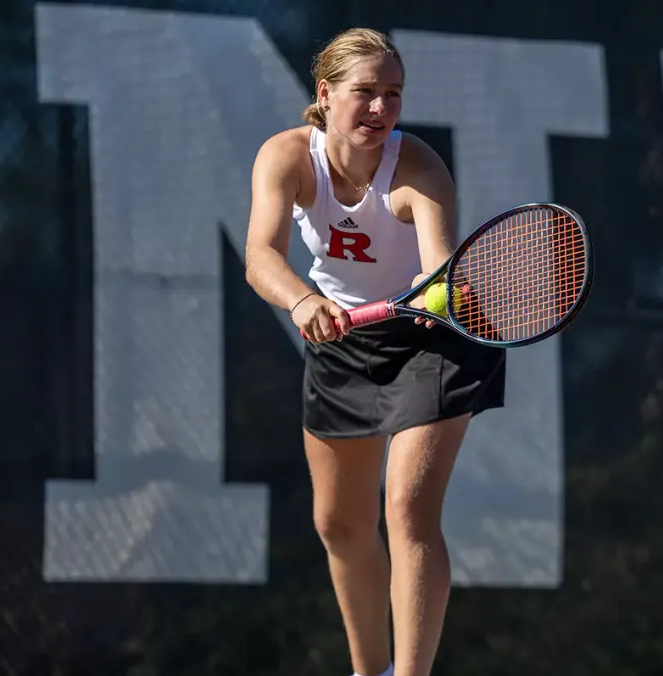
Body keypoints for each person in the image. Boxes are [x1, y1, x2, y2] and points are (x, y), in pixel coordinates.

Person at [243, 27, 506, 676]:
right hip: (340, 342)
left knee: (407, 510)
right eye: (365, 92)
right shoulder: (286, 158)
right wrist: (303, 302)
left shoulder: (416, 168)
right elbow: (261, 257)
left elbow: (440, 268)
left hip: (429, 341)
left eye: (393, 94)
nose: (381, 108)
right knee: (339, 525)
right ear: (325, 94)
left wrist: (441, 292)